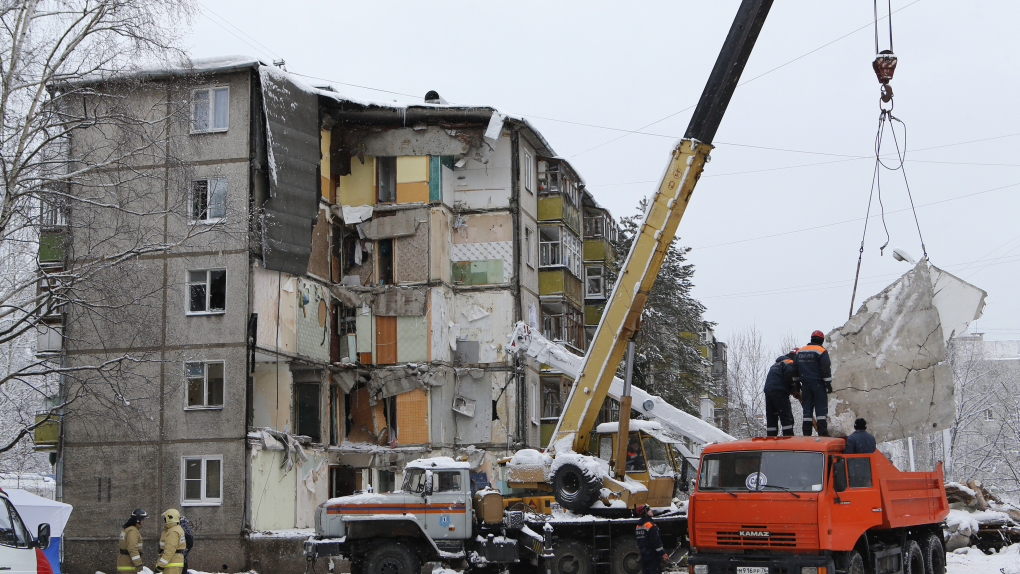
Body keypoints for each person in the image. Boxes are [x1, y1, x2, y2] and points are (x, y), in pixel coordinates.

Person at [795, 330, 833, 436]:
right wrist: (828, 384)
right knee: (820, 409)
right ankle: (822, 433)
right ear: (821, 340)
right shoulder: (821, 351)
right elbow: (825, 369)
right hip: (818, 384)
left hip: (805, 385)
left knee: (807, 409)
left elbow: (795, 370)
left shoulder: (800, 352)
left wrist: (796, 384)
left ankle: (806, 433)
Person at [763, 349, 801, 436]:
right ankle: (788, 438)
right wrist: (795, 388)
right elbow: (791, 376)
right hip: (780, 392)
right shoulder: (790, 362)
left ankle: (771, 438)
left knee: (772, 416)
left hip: (769, 391)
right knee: (786, 416)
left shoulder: (777, 363)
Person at [634, 504, 669, 574]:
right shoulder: (650, 525)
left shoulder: (638, 525)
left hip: (644, 555)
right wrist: (663, 553)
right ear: (646, 513)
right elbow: (656, 541)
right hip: (653, 556)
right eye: (649, 510)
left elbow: (640, 542)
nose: (651, 510)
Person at [155, 508, 187, 574]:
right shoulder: (177, 529)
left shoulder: (172, 532)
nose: (164, 519)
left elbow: (169, 550)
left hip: (172, 564)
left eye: (165, 517)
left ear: (169, 518)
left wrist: (161, 565)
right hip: (176, 562)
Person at [118, 508, 147, 573]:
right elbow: (132, 548)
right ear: (138, 520)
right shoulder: (133, 531)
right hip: (129, 565)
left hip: (124, 563)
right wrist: (139, 564)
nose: (144, 521)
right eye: (142, 519)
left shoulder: (127, 529)